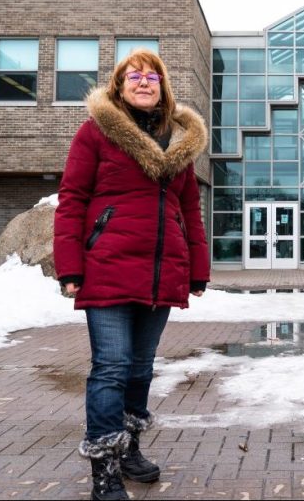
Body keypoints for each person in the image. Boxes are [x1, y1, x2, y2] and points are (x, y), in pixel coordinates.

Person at [54, 49, 210, 501]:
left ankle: (129, 450)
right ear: (119, 86)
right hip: (107, 269)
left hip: (161, 274)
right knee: (111, 367)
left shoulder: (177, 141)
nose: (144, 82)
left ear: (163, 87)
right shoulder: (95, 132)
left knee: (140, 368)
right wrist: (70, 265)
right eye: (134, 76)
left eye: (152, 77)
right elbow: (72, 199)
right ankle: (104, 468)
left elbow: (189, 210)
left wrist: (197, 268)